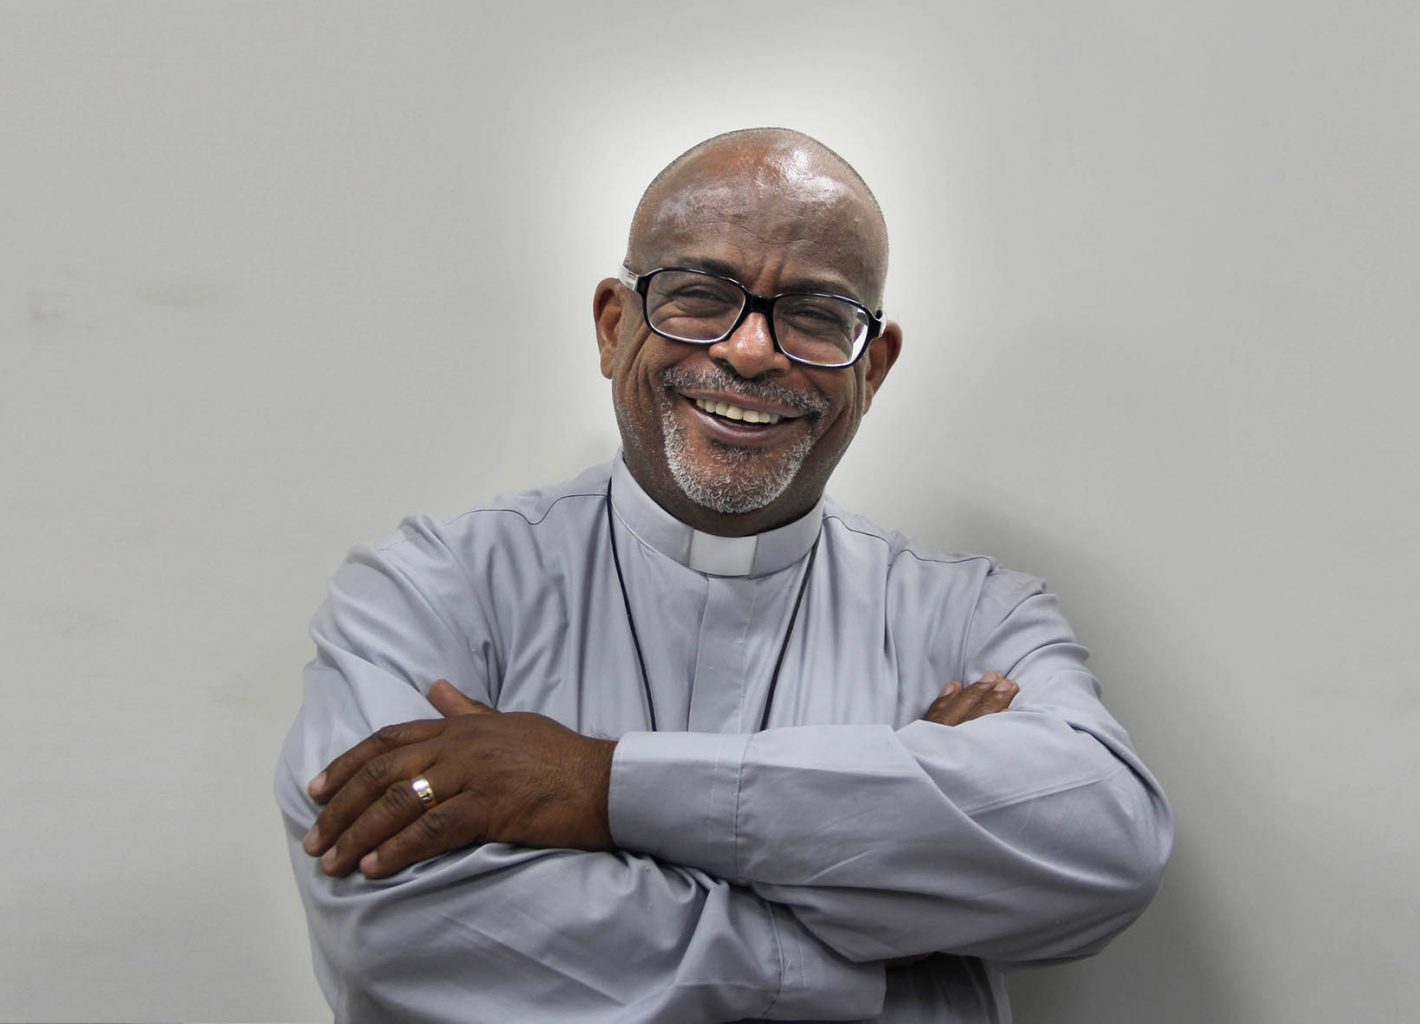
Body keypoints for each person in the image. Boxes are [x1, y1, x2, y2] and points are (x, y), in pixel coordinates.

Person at [275, 127, 1173, 1023]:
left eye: (815, 313)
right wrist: (892, 933)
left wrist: (597, 787)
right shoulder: (432, 591)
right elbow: (395, 935)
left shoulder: (978, 619)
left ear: (873, 367)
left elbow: (1107, 851)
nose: (749, 352)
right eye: (701, 296)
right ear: (613, 326)